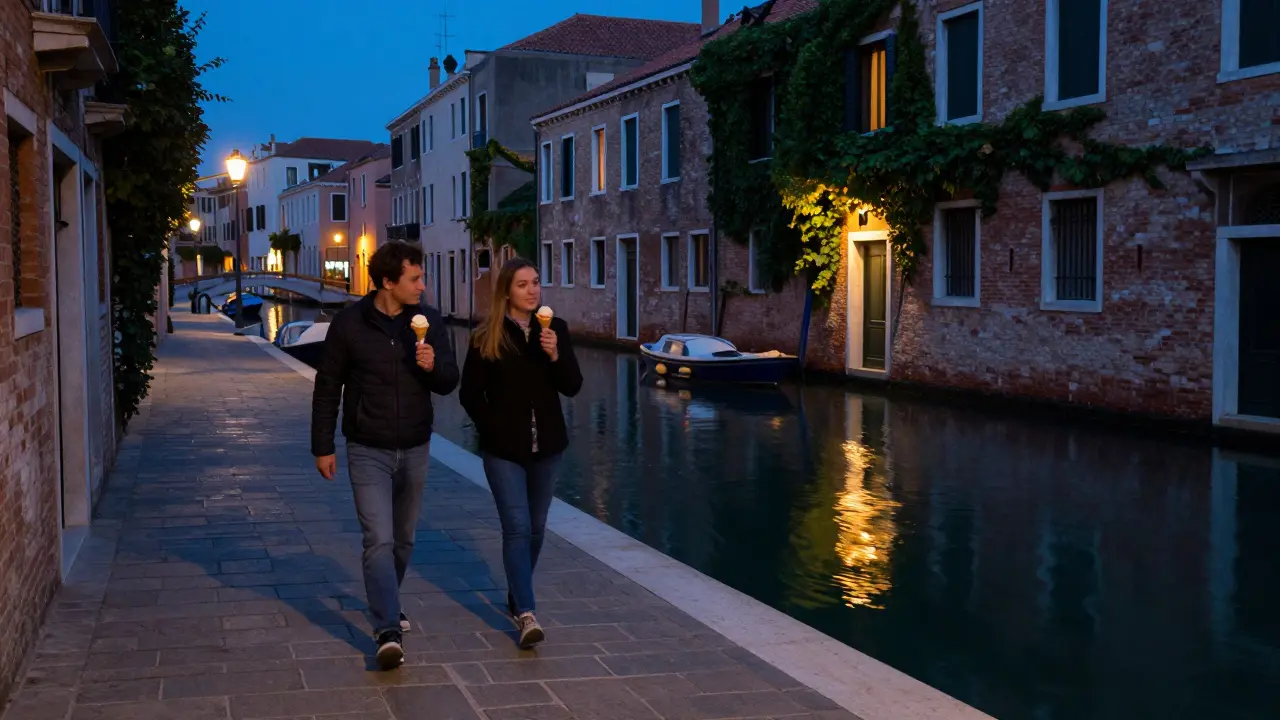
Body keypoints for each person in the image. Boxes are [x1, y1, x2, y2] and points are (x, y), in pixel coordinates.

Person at [310, 242, 458, 670]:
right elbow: (327, 386)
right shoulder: (350, 324)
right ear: (389, 282)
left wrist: (431, 367)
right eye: (415, 279)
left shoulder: (429, 321)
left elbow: (450, 381)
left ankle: (387, 601)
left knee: (404, 539)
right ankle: (387, 628)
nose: (422, 286)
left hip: (415, 445)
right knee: (379, 538)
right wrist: (322, 446)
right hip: (366, 447)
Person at [459, 257, 582, 648]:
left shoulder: (555, 330)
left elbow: (573, 386)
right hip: (504, 451)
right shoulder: (486, 335)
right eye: (524, 285)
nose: (533, 290)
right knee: (516, 527)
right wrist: (491, 428)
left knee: (537, 527)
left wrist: (555, 355)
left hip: (547, 447)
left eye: (536, 283)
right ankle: (526, 612)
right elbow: (469, 394)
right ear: (507, 292)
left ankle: (517, 588)